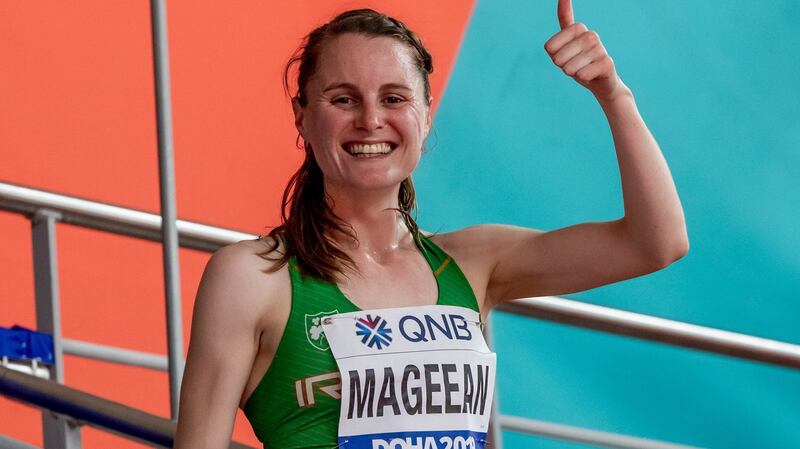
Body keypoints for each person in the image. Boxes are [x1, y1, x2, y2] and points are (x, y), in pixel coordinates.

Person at [174, 2, 688, 448]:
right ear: (303, 117)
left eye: (394, 98)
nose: (371, 119)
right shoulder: (251, 278)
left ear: (425, 116)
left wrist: (613, 94)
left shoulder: (475, 261)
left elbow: (656, 243)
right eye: (343, 98)